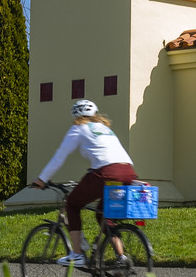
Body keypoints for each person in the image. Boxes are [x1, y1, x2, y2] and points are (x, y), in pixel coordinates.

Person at [30, 100, 139, 264]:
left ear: (75, 116)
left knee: (72, 204)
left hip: (105, 174)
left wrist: (42, 179)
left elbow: (59, 157)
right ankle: (121, 257)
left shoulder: (78, 128)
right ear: (95, 114)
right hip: (127, 173)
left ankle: (78, 254)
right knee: (104, 214)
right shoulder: (105, 129)